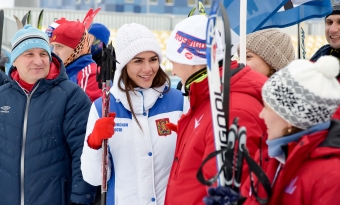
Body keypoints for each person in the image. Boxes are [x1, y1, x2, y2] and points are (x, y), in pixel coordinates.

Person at [204, 55, 340, 205]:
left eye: (267, 108)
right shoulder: (271, 155)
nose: (261, 115)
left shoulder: (331, 175)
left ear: (290, 118)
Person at [163, 15, 268, 205]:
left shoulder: (230, 110)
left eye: (173, 62)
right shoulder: (209, 95)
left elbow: (227, 190)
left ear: (192, 60)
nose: (174, 71)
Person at [81, 23, 188, 205]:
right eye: (138, 61)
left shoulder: (179, 102)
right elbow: (93, 179)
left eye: (153, 59)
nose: (148, 69)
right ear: (123, 64)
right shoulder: (103, 107)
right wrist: (94, 145)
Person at [0, 25, 97, 205]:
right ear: (14, 60)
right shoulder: (2, 97)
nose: (38, 61)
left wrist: (80, 199)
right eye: (29, 54)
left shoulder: (71, 96)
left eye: (43, 54)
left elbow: (82, 154)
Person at [48, 19, 101, 102]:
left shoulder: (91, 75)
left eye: (60, 46)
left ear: (77, 49)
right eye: (53, 46)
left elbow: (87, 112)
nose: (54, 52)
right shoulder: (61, 71)